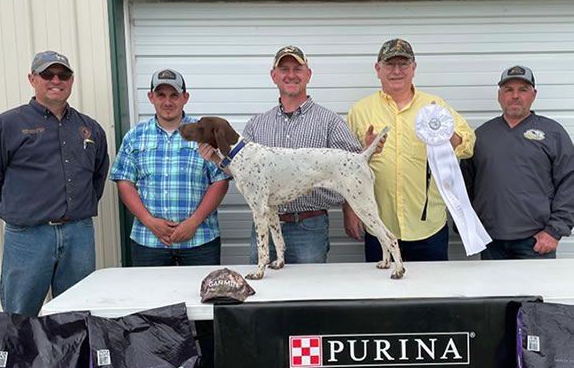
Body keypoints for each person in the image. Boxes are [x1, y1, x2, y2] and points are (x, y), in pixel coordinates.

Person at [109, 68, 229, 368]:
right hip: (149, 241)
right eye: (161, 95)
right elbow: (124, 182)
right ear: (151, 98)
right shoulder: (135, 137)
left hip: (199, 239)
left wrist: (194, 221)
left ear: (185, 98)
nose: (167, 101)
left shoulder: (204, 135)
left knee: (208, 309)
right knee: (151, 309)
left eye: (174, 95)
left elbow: (220, 181)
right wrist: (148, 221)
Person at [0, 50, 109, 316]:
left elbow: (98, 176)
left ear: (71, 80)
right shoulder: (5, 126)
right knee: (20, 316)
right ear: (32, 79)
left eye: (63, 75)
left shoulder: (90, 128)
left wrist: (75, 209)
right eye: (47, 74)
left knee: (77, 314)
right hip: (28, 236)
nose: (56, 80)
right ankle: (23, 349)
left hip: (78, 235)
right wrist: (22, 210)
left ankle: (72, 348)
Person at [345, 38, 475, 262]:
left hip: (428, 227)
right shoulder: (360, 111)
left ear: (414, 68)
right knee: (381, 284)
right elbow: (345, 167)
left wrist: (447, 133)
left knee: (432, 285)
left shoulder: (435, 106)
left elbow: (468, 146)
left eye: (403, 64)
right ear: (378, 69)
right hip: (380, 226)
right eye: (389, 64)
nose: (397, 71)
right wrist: (350, 210)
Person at [240, 45, 370, 265]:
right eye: (284, 69)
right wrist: (216, 158)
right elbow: (240, 171)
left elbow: (350, 170)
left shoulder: (329, 122)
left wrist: (351, 209)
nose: (291, 75)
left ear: (308, 75)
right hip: (265, 227)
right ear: (274, 76)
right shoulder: (256, 125)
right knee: (264, 285)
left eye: (297, 69)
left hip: (309, 228)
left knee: (310, 285)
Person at [461, 65, 574, 259]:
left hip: (536, 243)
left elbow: (570, 183)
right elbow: (465, 185)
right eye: (508, 90)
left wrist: (554, 230)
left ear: (533, 94)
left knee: (535, 282)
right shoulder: (481, 136)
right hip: (491, 242)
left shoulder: (553, 133)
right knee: (492, 282)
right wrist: (469, 226)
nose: (515, 96)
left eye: (523, 90)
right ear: (499, 95)